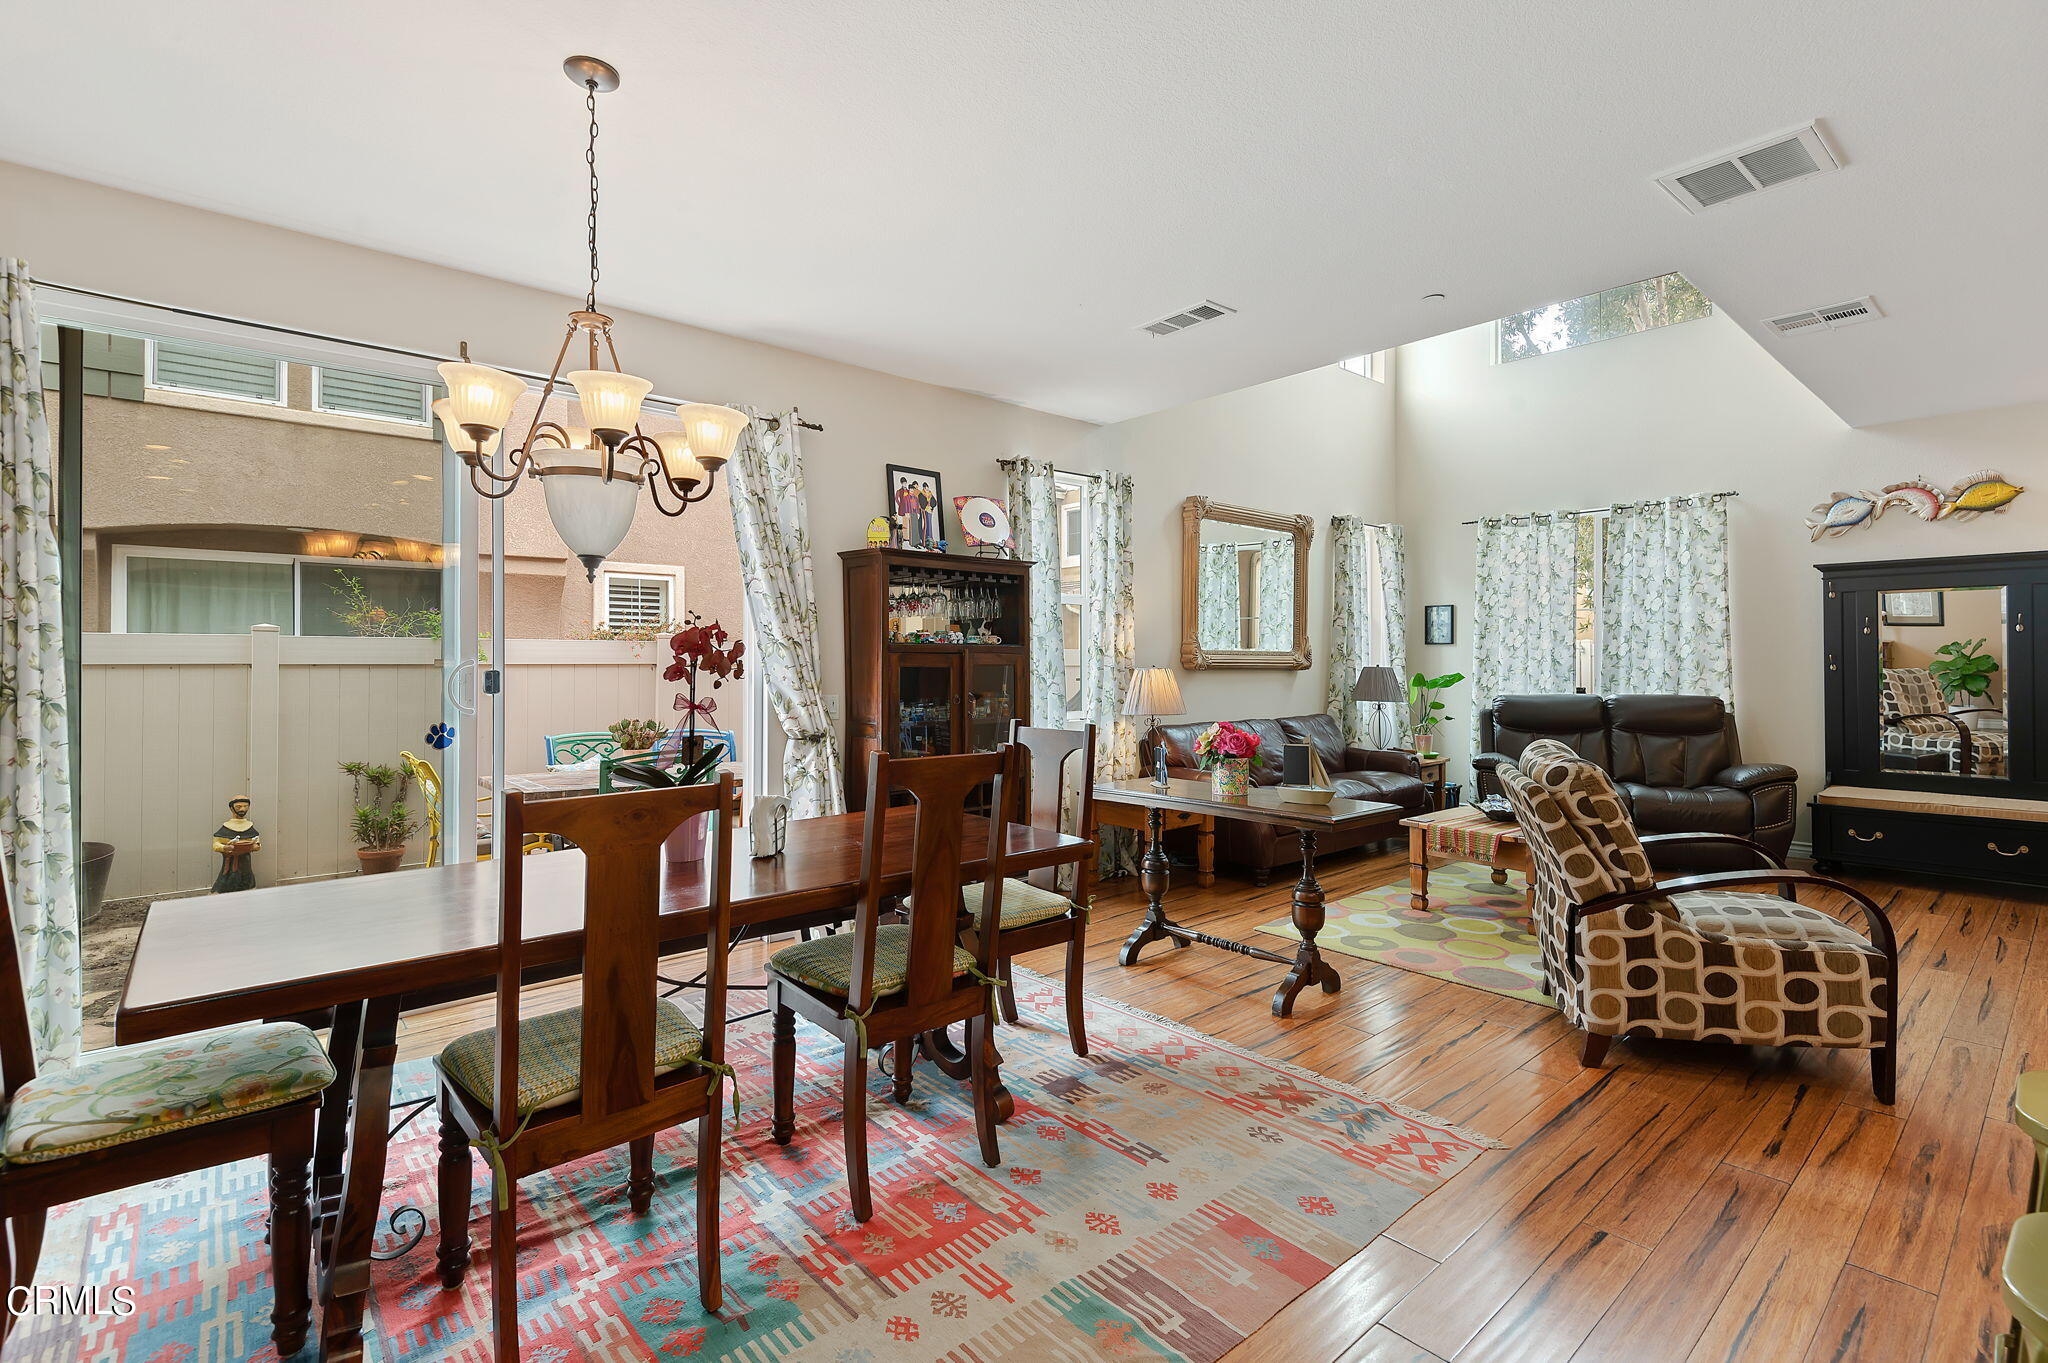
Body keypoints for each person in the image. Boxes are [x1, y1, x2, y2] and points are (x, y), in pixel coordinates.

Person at [211, 795, 261, 894]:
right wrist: (225, 847)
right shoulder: (226, 827)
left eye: (246, 806)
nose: (242, 809)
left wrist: (254, 846)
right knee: (224, 886)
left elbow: (257, 843)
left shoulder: (249, 826)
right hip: (229, 866)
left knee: (247, 884)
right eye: (239, 807)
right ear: (231, 808)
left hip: (246, 865)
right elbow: (216, 844)